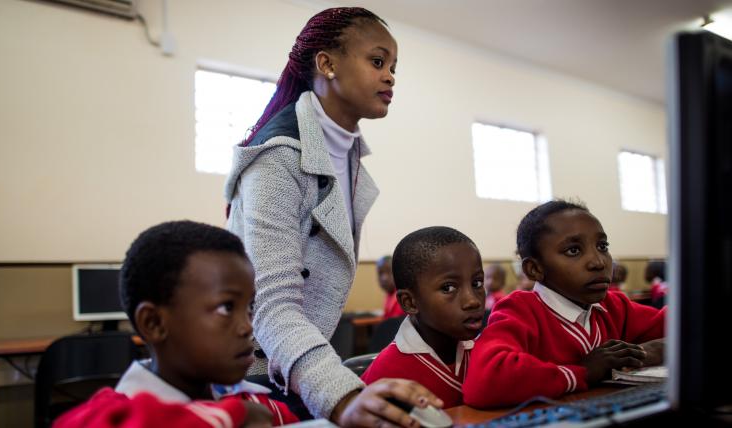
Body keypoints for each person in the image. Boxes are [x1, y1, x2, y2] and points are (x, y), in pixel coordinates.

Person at [223, 7, 442, 427]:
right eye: (377, 62)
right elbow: (273, 307)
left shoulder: (348, 159)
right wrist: (343, 395)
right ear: (327, 63)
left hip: (301, 370)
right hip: (257, 381)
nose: (391, 76)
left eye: (394, 66)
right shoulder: (278, 159)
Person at [55, 221, 298, 427]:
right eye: (226, 308)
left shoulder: (262, 406)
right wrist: (234, 416)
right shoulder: (109, 415)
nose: (247, 327)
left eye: (249, 309)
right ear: (154, 323)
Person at [463, 201, 666, 408]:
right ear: (534, 269)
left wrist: (653, 350)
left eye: (602, 246)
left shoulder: (614, 306)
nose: (598, 262)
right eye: (573, 250)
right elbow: (484, 383)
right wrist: (583, 372)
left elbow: (682, 323)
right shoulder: (520, 310)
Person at [361, 226, 486, 408]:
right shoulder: (387, 376)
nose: (473, 300)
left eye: (477, 283)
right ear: (410, 302)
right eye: (448, 288)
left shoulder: (487, 350)